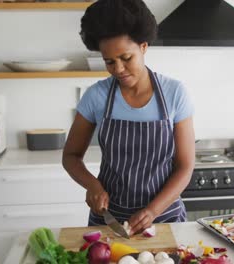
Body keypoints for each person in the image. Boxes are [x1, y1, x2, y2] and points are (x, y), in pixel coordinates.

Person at [62, 0, 195, 236]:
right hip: (109, 220)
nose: (119, 69)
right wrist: (92, 185)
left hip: (164, 219)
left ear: (143, 47)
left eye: (126, 58)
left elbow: (185, 166)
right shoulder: (96, 96)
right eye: (109, 62)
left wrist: (153, 211)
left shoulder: (174, 93)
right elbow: (71, 156)